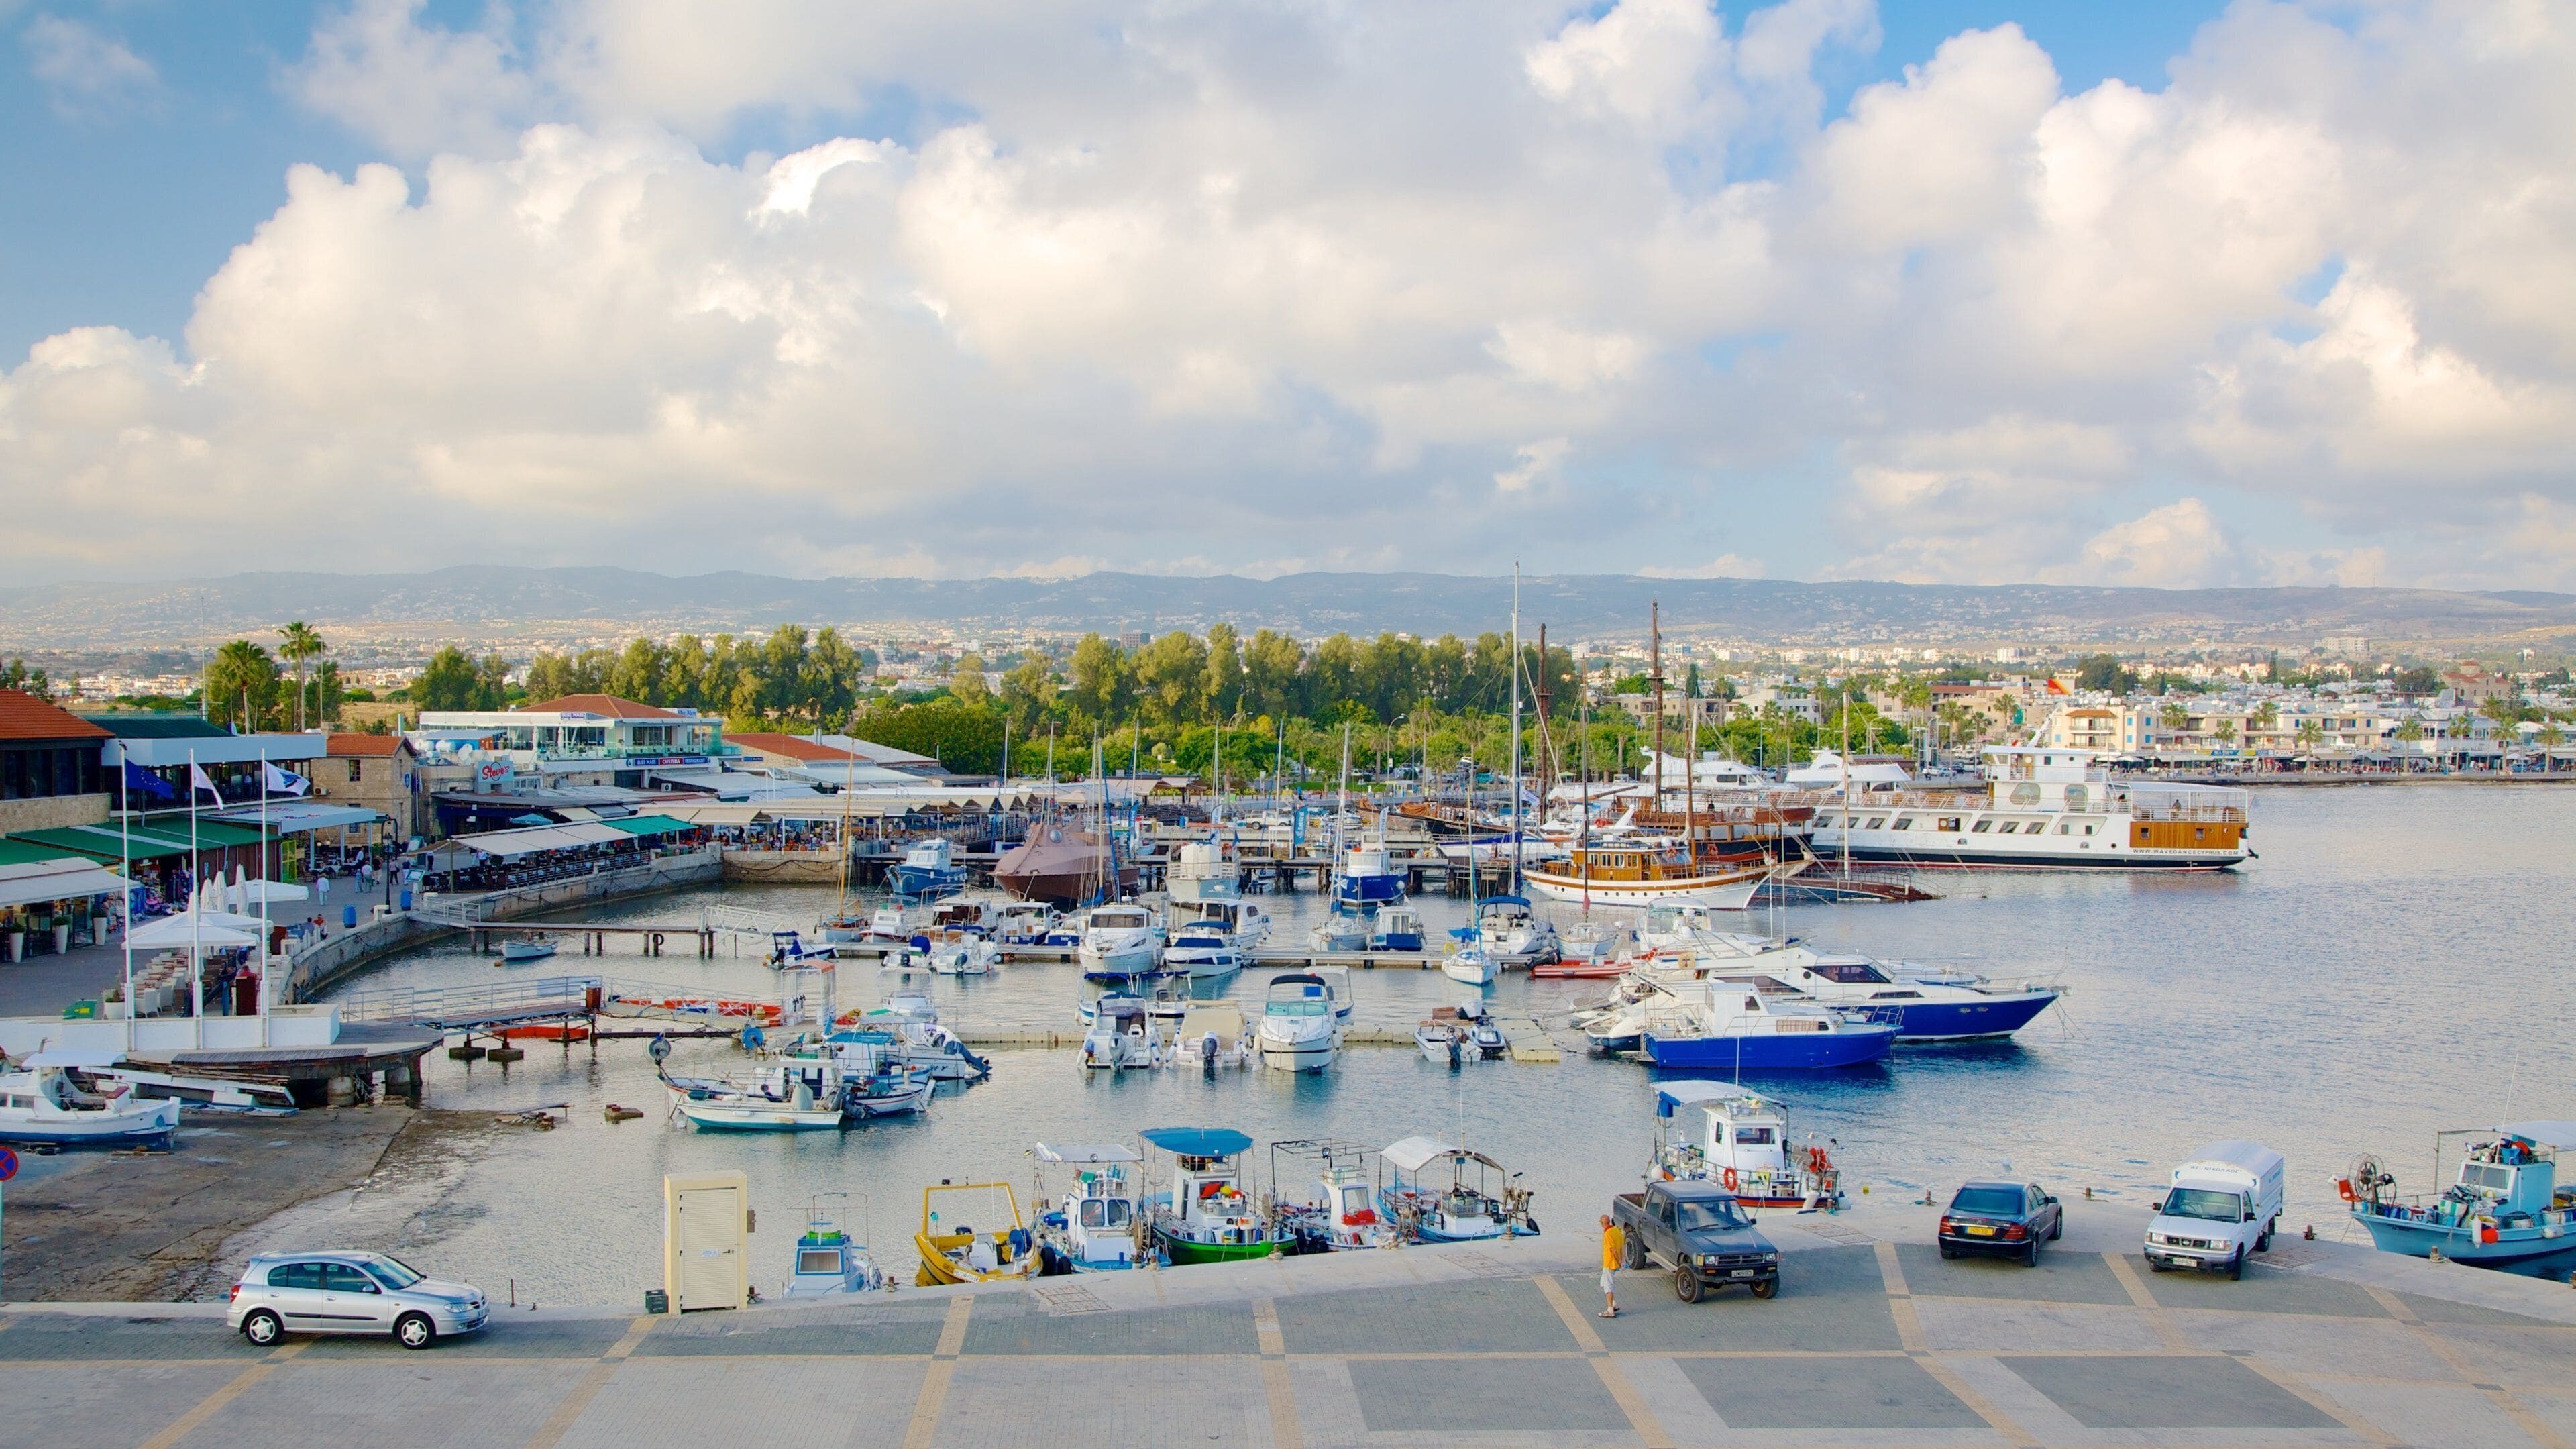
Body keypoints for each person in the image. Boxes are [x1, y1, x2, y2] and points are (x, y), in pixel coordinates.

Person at [1597, 1212, 1623, 1318]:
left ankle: (1610, 1310)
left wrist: (1618, 1260)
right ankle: (1613, 1303)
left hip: (1610, 1263)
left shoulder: (1607, 1234)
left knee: (1608, 1286)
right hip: (1612, 1263)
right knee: (1604, 1282)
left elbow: (1613, 1250)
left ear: (1602, 1223)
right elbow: (1621, 1246)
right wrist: (1622, 1259)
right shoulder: (1617, 1230)